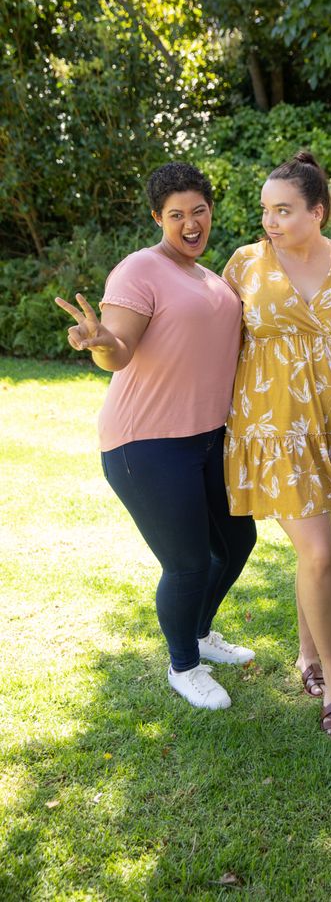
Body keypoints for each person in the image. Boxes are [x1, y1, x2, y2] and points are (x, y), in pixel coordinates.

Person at [55, 163, 257, 711]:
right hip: (145, 443)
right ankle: (183, 666)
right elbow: (118, 351)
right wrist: (100, 340)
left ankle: (199, 633)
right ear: (157, 218)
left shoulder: (208, 276)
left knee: (236, 542)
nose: (190, 224)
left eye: (199, 211)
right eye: (176, 215)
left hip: (207, 439)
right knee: (188, 563)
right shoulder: (139, 270)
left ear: (211, 210)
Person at [223, 151, 331, 739]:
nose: (270, 221)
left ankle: (307, 655)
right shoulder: (245, 264)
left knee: (318, 550)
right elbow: (209, 337)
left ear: (318, 211)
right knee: (318, 552)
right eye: (266, 210)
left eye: (283, 210)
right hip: (273, 427)